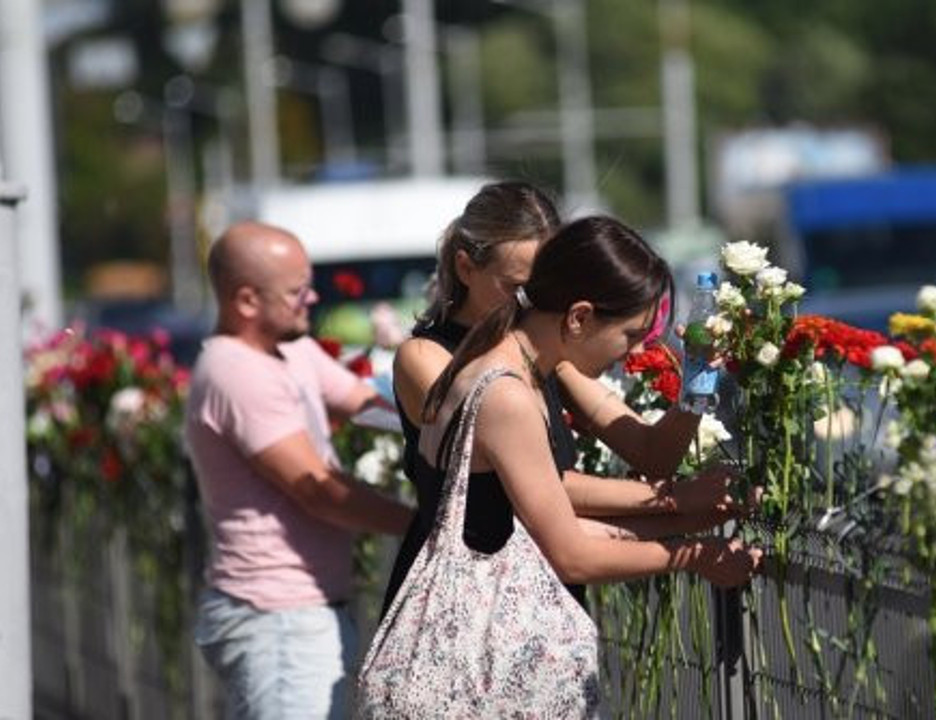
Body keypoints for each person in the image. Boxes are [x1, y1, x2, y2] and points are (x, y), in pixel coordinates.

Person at [394, 215, 759, 712]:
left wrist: (690, 507)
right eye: (630, 334)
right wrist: (697, 555)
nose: (633, 350)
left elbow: (525, 521)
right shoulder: (507, 394)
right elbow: (570, 554)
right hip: (485, 674)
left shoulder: (500, 359)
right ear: (579, 317)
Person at [382, 181, 737, 615]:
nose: (538, 298)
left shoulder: (541, 354)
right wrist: (676, 505)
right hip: (474, 614)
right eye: (518, 286)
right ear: (465, 267)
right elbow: (542, 497)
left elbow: (650, 453)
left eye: (546, 282)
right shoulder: (445, 362)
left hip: (517, 597)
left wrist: (695, 391)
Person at [184, 221, 415, 719]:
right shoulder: (237, 370)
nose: (312, 298)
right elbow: (319, 492)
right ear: (246, 301)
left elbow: (365, 402)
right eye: (296, 291)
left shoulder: (288, 347)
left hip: (297, 614)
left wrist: (453, 409)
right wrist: (425, 526)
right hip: (277, 619)